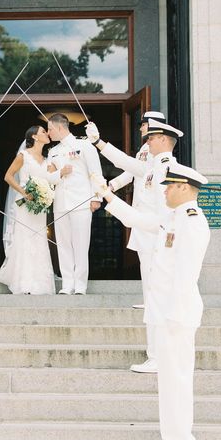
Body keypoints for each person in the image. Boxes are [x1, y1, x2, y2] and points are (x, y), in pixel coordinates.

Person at [92, 162, 210, 440]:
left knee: (177, 381)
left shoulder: (192, 221)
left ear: (184, 188)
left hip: (176, 314)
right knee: (170, 382)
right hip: (165, 314)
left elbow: (186, 273)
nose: (166, 191)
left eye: (170, 186)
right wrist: (107, 195)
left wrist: (173, 314)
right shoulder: (172, 217)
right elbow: (138, 219)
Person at [86, 118, 183, 373]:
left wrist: (99, 144)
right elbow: (128, 166)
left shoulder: (164, 168)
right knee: (153, 298)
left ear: (163, 140)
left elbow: (164, 218)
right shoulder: (152, 166)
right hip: (147, 231)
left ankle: (159, 356)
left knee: (157, 299)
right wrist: (99, 145)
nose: (146, 140)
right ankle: (157, 355)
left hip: (157, 237)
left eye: (151, 137)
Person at [0, 125, 72, 295]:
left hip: (39, 206)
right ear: (34, 137)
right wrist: (24, 192)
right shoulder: (24, 155)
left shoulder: (47, 159)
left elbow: (50, 179)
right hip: (24, 204)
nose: (47, 134)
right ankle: (24, 282)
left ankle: (40, 283)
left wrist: (61, 172)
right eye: (43, 132)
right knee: (25, 238)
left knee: (39, 239)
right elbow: (8, 176)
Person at [108, 110, 166, 309]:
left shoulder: (159, 149)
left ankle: (156, 299)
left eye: (143, 123)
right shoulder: (143, 148)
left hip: (152, 211)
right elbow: (131, 171)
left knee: (152, 257)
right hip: (140, 208)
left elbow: (137, 169)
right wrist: (112, 185)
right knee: (145, 257)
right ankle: (150, 299)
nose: (140, 127)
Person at [47, 113, 102, 295]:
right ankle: (67, 284)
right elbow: (48, 177)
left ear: (60, 127)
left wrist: (96, 197)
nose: (48, 133)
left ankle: (80, 285)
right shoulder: (52, 151)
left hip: (81, 201)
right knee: (63, 244)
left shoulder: (84, 145)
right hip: (61, 202)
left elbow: (95, 172)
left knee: (80, 244)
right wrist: (60, 173)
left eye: (50, 129)